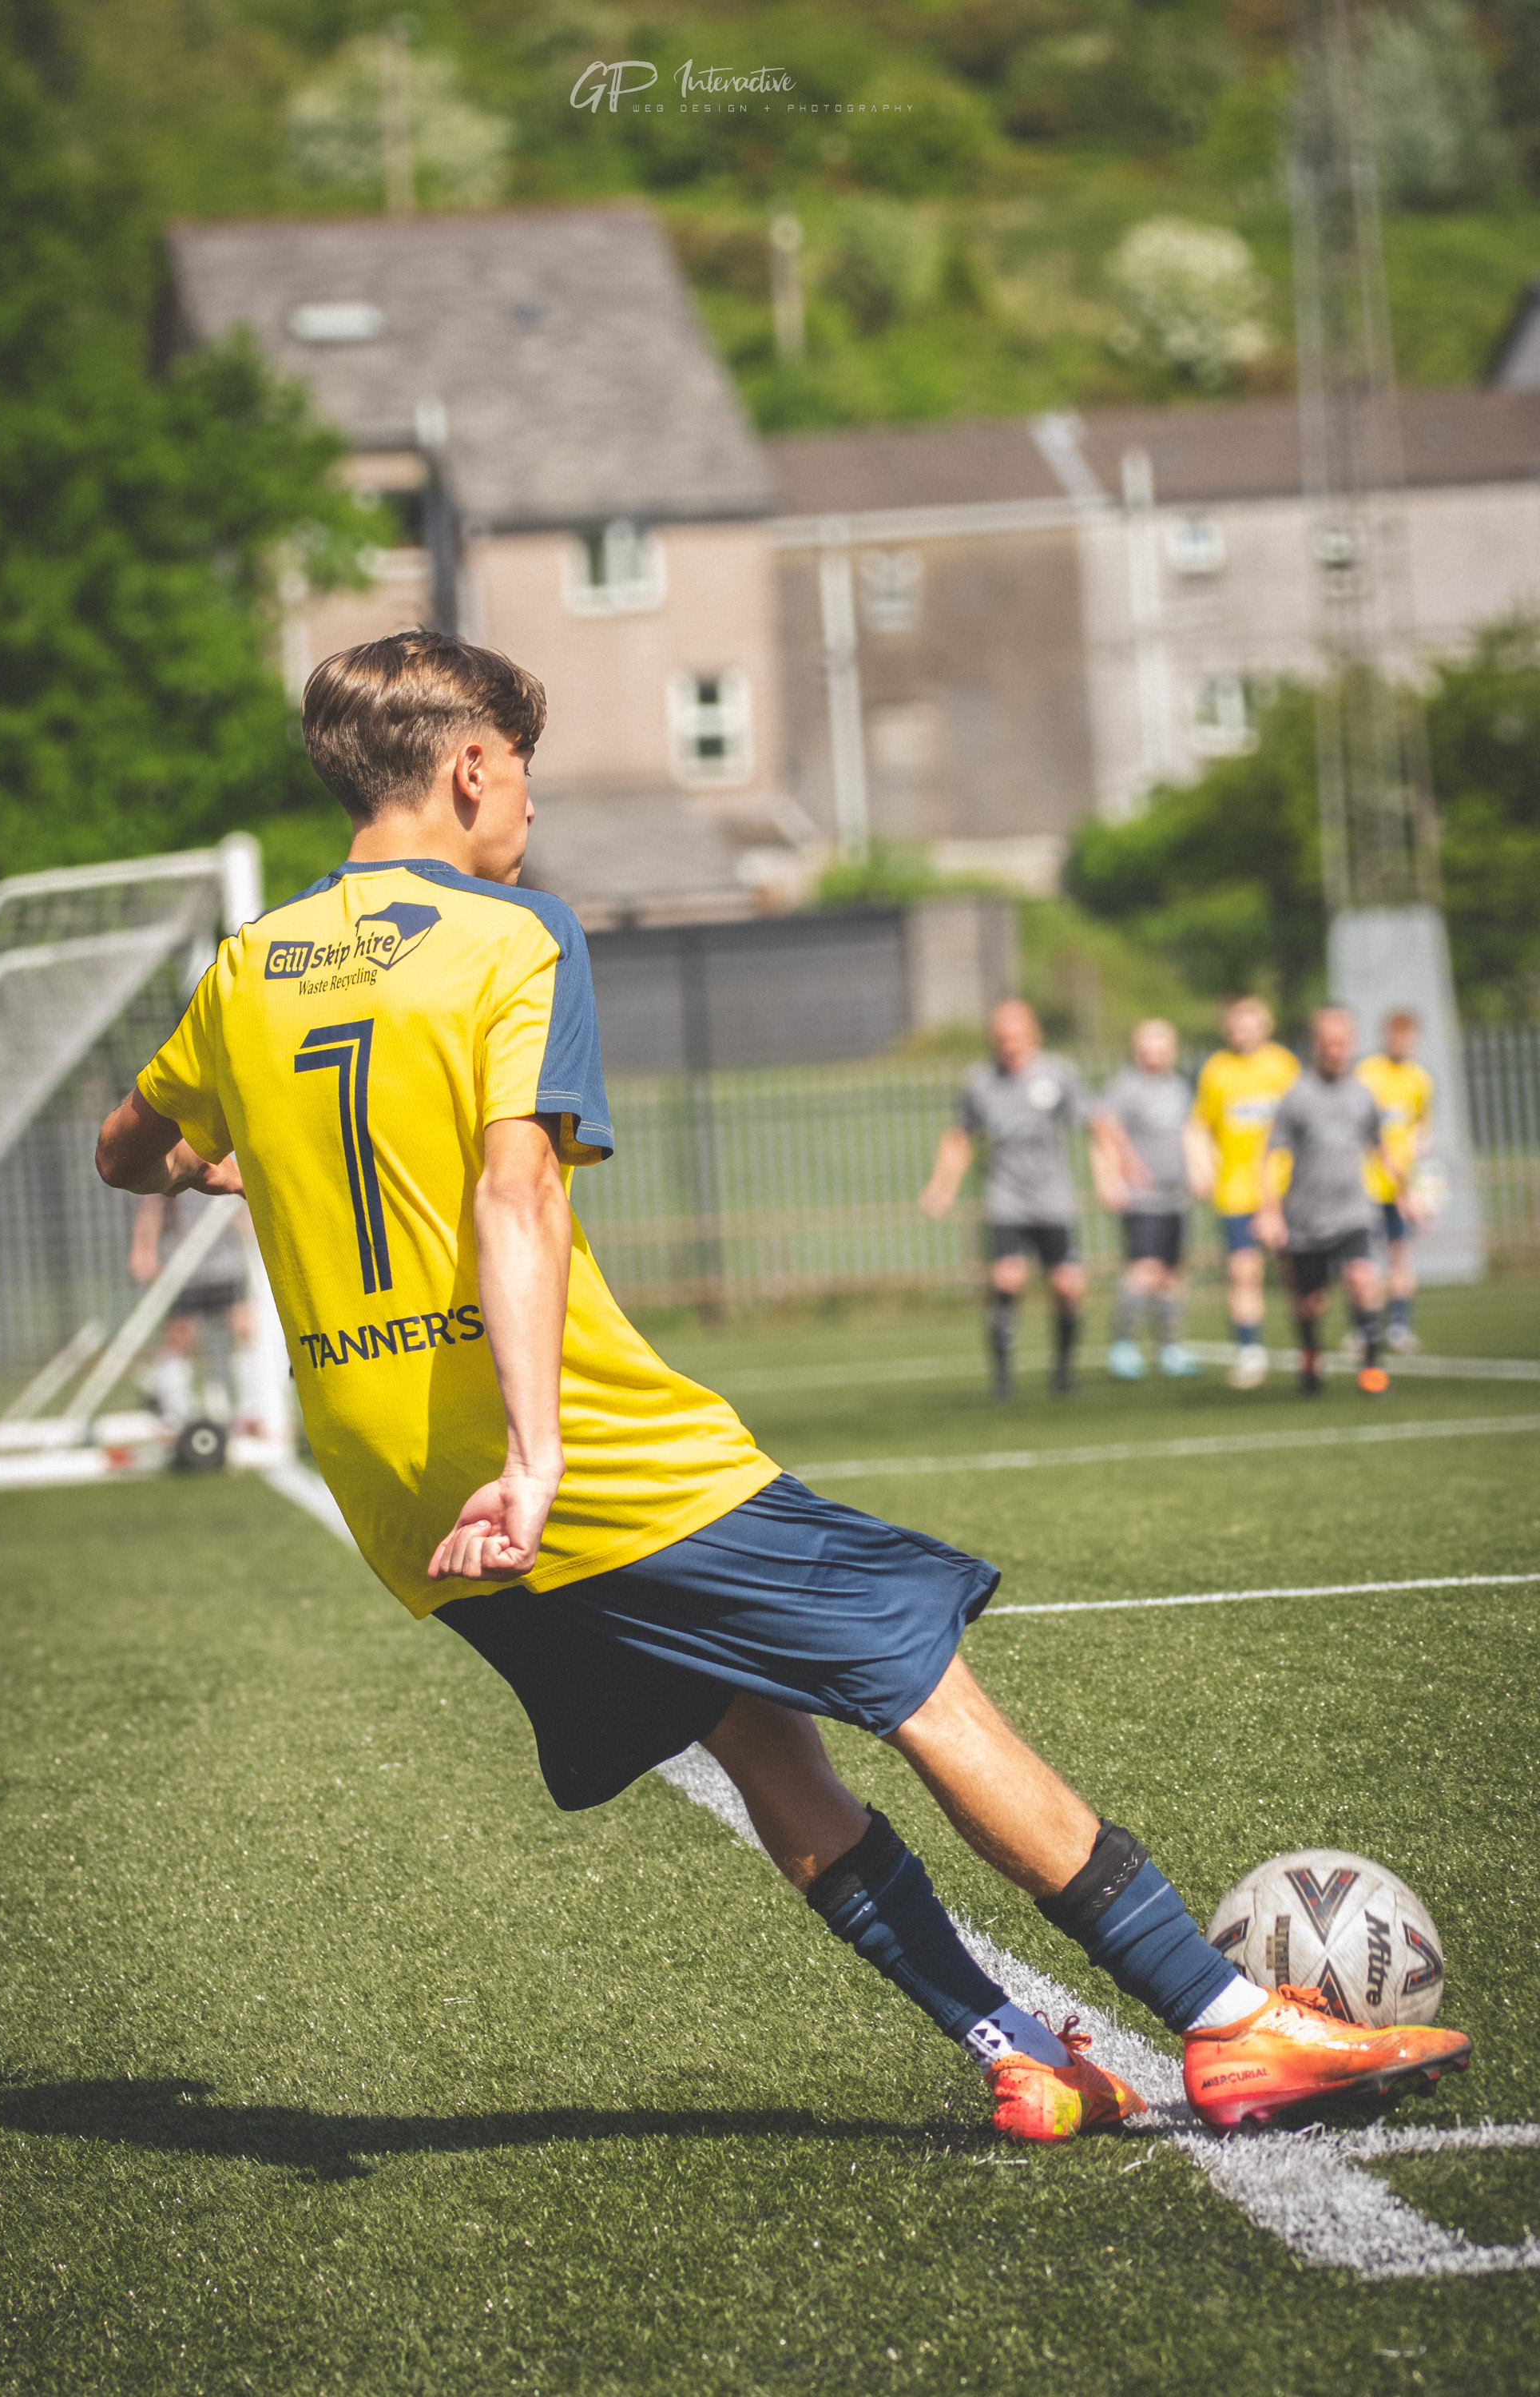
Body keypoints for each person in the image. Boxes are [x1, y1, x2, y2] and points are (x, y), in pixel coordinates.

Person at [94, 630, 1467, 2144]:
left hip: (396, 1492)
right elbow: (516, 1201)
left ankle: (1018, 2050)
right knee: (922, 1685)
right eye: (526, 774)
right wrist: (541, 1455)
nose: (531, 810)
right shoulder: (510, 939)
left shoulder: (246, 969)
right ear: (470, 766)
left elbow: (127, 1152)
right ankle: (1228, 2023)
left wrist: (245, 1161)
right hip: (585, 1461)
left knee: (761, 1740)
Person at [920, 1003, 1123, 1401]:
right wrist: (941, 1186)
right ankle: (1002, 1380)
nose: (1008, 1043)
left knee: (1067, 1287)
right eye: (1001, 1036)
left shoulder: (1056, 1074)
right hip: (1007, 1198)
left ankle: (1063, 1373)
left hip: (1052, 1198)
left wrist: (1109, 1176)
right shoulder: (980, 1082)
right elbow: (960, 1137)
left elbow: (1097, 1123)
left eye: (1016, 1035)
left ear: (1032, 1034)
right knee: (1006, 1279)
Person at [1257, 1006, 1403, 1397]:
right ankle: (1310, 1357)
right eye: (1328, 1043)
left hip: (1354, 1210)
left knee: (1362, 1278)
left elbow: (1380, 1145)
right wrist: (1269, 1211)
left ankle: (1372, 1367)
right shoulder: (1296, 1096)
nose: (1336, 1051)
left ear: (1352, 1044)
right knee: (1310, 1303)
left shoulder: (1362, 1094)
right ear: (1316, 1044)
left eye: (1343, 1043)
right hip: (1305, 1216)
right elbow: (1272, 1155)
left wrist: (1406, 1193)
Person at [1185, 996, 1299, 1391]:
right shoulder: (1217, 1070)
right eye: (1235, 1026)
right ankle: (1250, 1352)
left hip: (1284, 1187)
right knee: (1242, 1271)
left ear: (1264, 1027)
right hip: (1236, 1189)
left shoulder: (1283, 1066)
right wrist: (1201, 1166)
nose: (1241, 1033)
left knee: (1296, 1272)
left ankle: (1308, 1347)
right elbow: (1198, 1126)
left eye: (1249, 1025)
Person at [1098, 1018, 1201, 1381]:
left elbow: (1189, 1133)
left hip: (1173, 1195)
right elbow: (1104, 1133)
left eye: (1160, 1043)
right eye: (1147, 1043)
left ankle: (1170, 1347)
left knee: (1171, 1276)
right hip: (1141, 1196)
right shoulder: (1125, 1088)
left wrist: (1198, 1171)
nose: (1153, 1050)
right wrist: (1110, 1179)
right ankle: (1123, 1345)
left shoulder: (1178, 1088)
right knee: (1144, 1271)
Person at [129, 1187, 261, 1431]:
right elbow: (151, 1205)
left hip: (226, 1262)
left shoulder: (226, 1153)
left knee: (243, 1327)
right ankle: (177, 1416)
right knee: (178, 1335)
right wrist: (143, 1250)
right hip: (182, 1261)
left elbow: (243, 1194)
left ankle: (251, 1411)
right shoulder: (167, 1155)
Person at [1355, 1011, 1434, 1354]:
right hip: (1367, 1184)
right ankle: (1363, 1329)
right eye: (1396, 1035)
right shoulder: (1367, 1073)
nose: (1402, 1043)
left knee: (1400, 1254)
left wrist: (1416, 1168)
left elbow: (1422, 1126)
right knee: (1362, 1261)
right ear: (1385, 1036)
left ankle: (1399, 1326)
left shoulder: (1419, 1079)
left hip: (1403, 1188)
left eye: (1409, 1037)